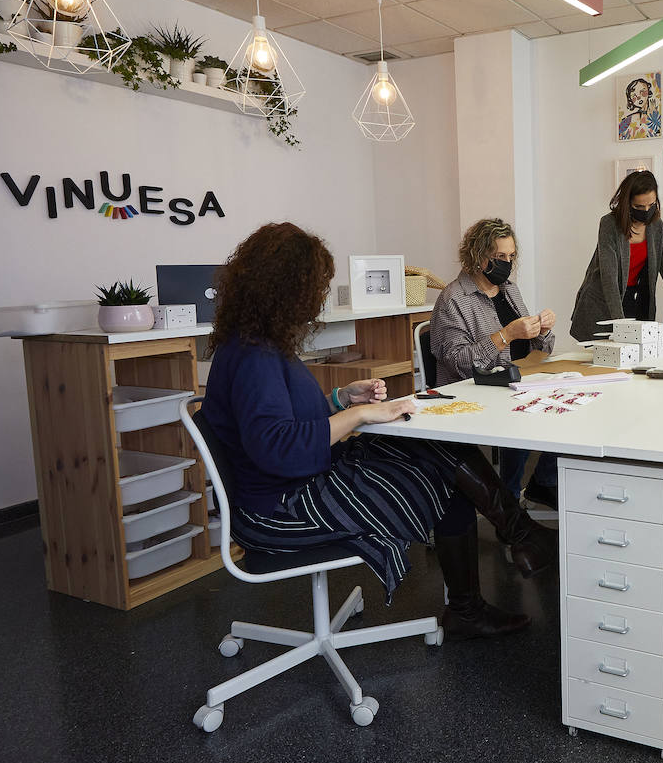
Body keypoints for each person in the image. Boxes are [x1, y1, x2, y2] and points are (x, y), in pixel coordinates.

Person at [200, 222, 557, 642]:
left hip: (298, 481)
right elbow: (279, 449)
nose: (316, 301)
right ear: (285, 289)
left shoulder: (258, 345)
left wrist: (340, 398)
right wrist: (361, 416)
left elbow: (285, 418)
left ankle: (509, 547)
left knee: (432, 444)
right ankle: (497, 566)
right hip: (279, 510)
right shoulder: (253, 356)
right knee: (443, 483)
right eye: (314, 289)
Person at [431, 218, 561, 510]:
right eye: (500, 257)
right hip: (474, 390)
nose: (507, 263)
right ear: (478, 256)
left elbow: (541, 348)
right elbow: (458, 361)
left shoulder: (509, 289)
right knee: (522, 418)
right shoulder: (453, 298)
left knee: (570, 411)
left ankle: (542, 482)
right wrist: (505, 335)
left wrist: (543, 329)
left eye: (511, 256)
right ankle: (510, 502)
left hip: (515, 381)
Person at [570, 170, 663, 341]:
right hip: (603, 302)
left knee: (637, 357)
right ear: (627, 203)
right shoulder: (610, 225)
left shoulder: (656, 227)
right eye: (639, 207)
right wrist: (621, 325)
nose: (646, 211)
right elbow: (609, 278)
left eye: (651, 205)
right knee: (605, 361)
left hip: (635, 298)